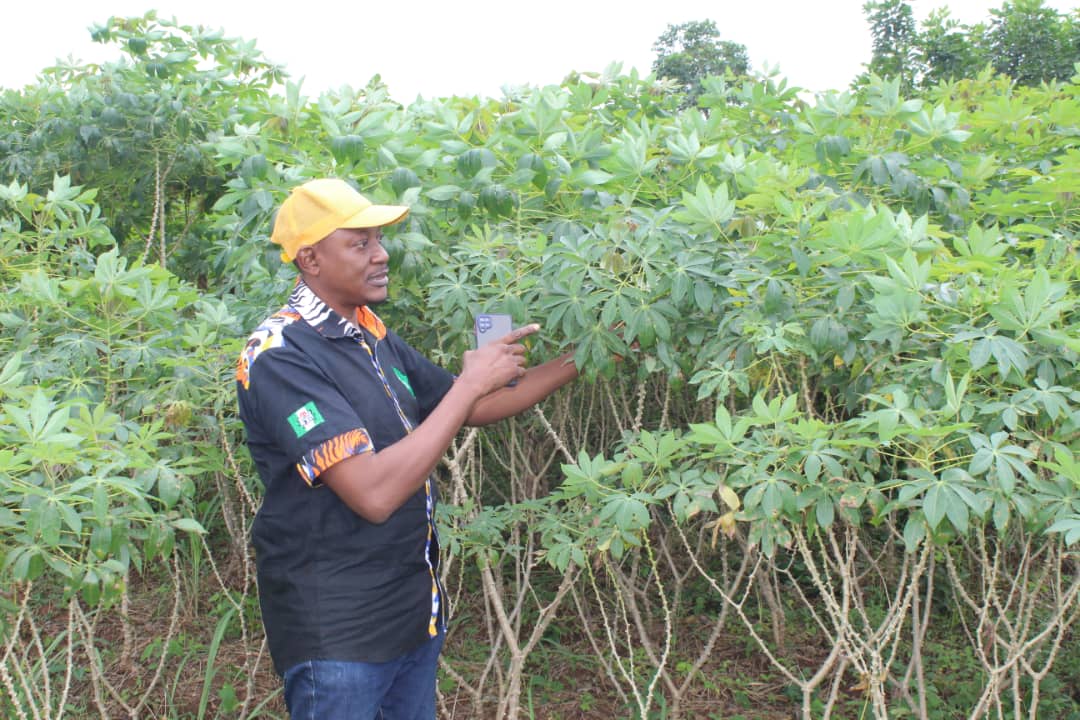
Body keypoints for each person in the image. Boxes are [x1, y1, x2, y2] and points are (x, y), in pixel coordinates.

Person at [235, 177, 579, 719]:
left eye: (379, 240)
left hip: (411, 613)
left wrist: (590, 352)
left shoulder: (370, 332)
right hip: (339, 633)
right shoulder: (281, 354)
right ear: (310, 259)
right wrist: (470, 383)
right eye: (360, 243)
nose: (381, 254)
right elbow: (372, 493)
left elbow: (477, 408)